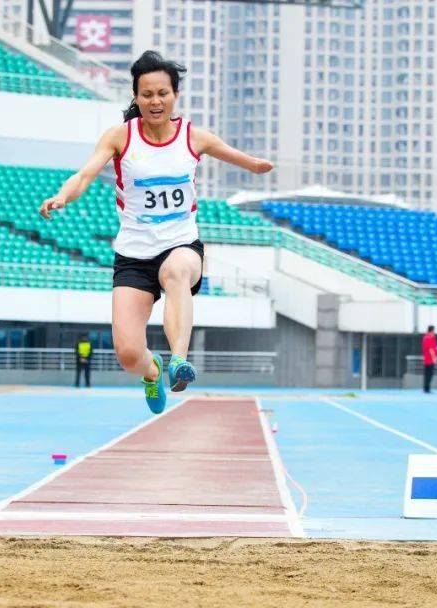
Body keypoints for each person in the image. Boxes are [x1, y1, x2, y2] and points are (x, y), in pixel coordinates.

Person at [38, 51, 273, 414]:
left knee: (176, 271)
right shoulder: (120, 137)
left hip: (181, 244)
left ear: (175, 95)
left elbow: (238, 157)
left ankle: (179, 359)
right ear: (136, 97)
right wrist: (62, 197)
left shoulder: (194, 137)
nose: (155, 101)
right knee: (128, 354)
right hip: (134, 255)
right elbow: (84, 175)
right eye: (146, 94)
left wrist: (257, 165)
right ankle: (153, 371)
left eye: (162, 93)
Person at [421, 325, 437, 394]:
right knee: (429, 375)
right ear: (432, 330)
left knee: (426, 375)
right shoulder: (431, 338)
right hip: (430, 359)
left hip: (426, 359)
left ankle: (425, 388)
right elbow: (431, 349)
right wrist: (434, 358)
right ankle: (427, 389)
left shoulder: (425, 338)